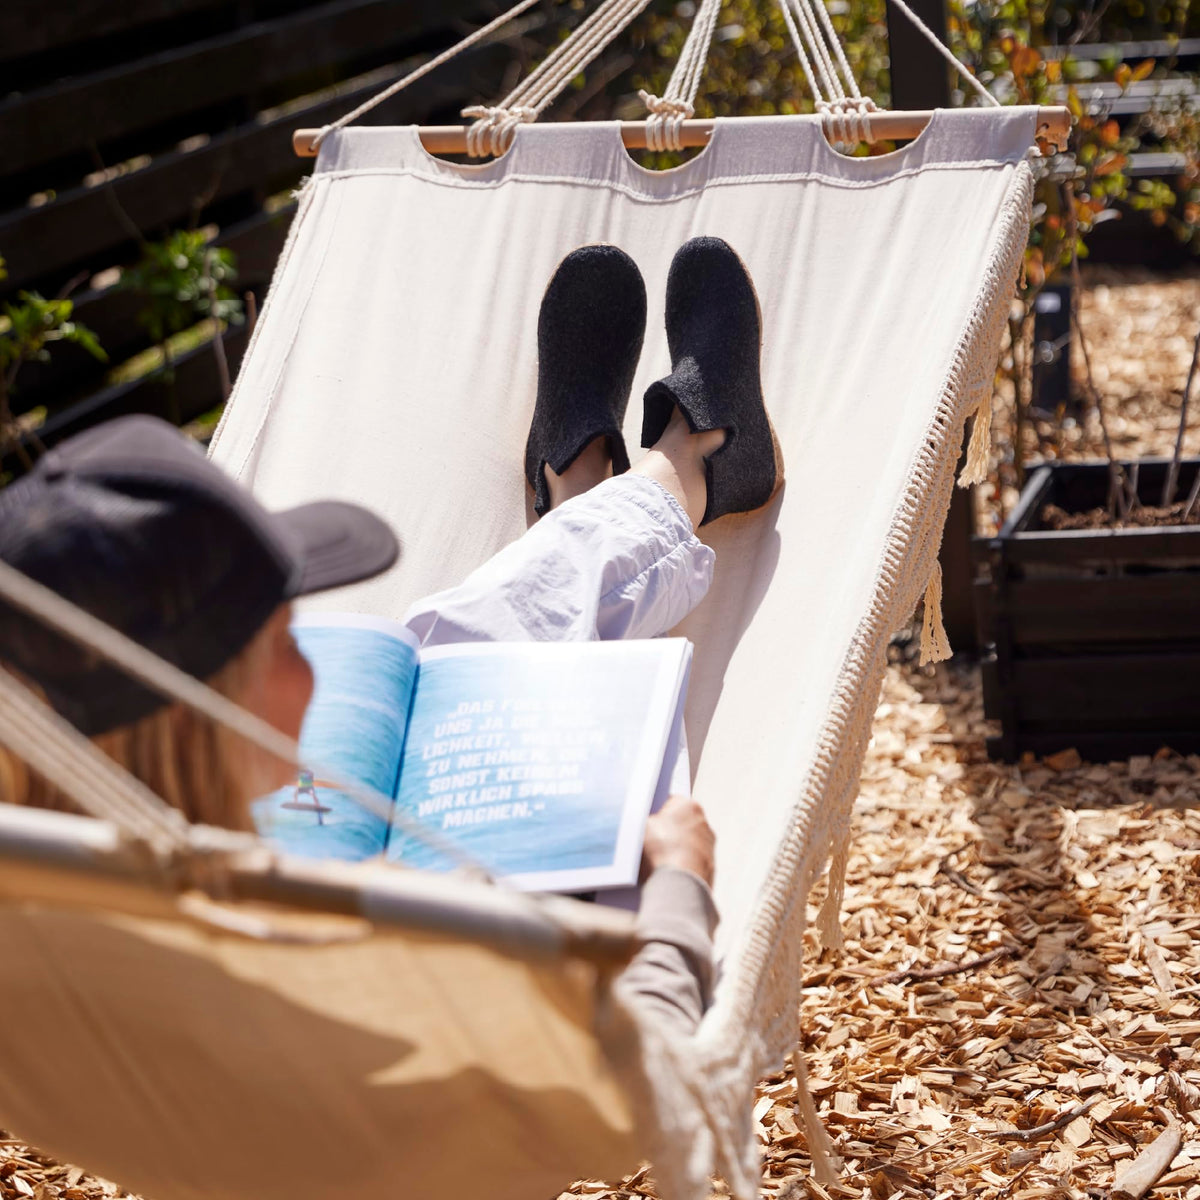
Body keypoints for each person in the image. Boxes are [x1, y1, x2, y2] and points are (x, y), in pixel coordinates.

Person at [0, 236, 780, 1033]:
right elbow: (650, 1072)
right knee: (461, 644)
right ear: (193, 719)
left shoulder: (49, 930)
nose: (313, 661)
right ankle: (685, 464)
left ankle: (589, 490)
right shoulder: (342, 971)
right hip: (501, 989)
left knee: (459, 646)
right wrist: (677, 880)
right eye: (280, 640)